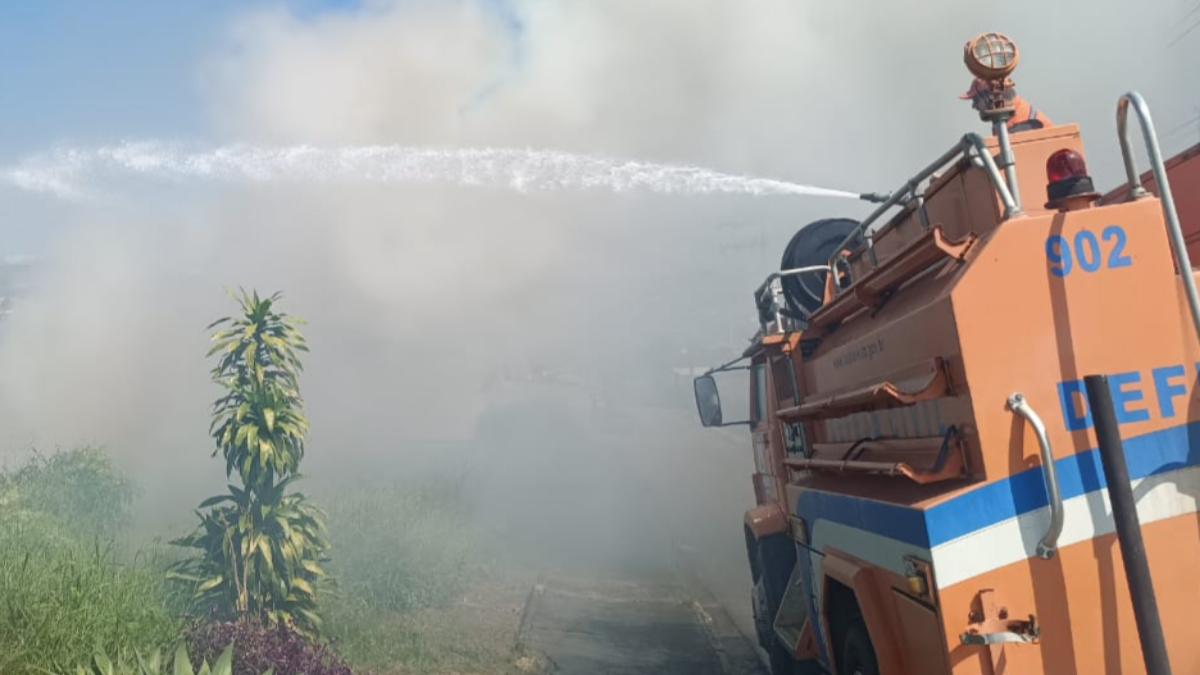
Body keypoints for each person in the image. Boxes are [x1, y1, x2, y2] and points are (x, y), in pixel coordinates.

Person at [960, 76, 1051, 133]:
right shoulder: (1008, 118)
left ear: (991, 97)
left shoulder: (1025, 125)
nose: (974, 106)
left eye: (976, 100)